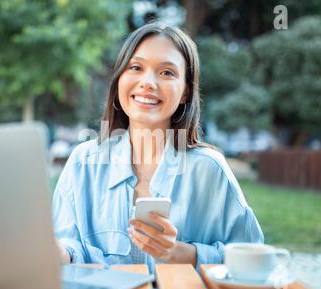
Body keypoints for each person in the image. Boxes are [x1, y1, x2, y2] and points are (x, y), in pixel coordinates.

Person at [52, 22, 264, 272]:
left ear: (186, 91)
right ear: (120, 78)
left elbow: (254, 256)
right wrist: (52, 252)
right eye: (136, 67)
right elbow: (70, 247)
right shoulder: (82, 162)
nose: (148, 82)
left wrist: (182, 253)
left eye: (167, 73)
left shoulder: (209, 169)